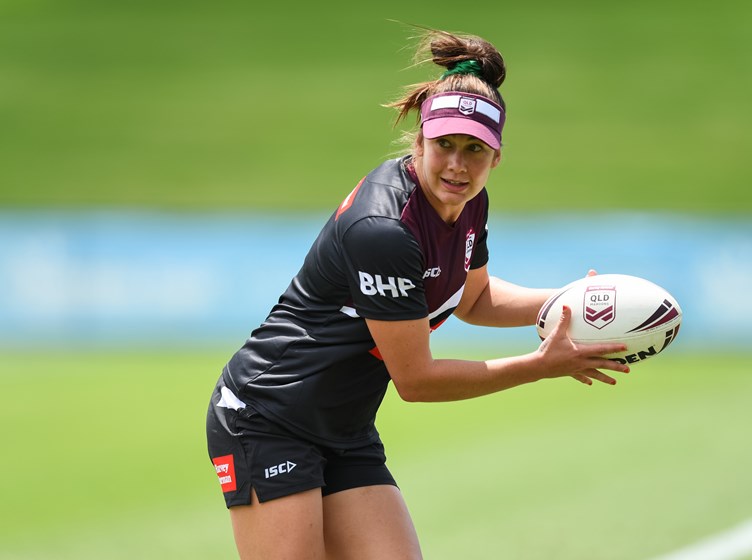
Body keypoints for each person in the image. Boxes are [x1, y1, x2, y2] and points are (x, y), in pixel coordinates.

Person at [206, 28, 630, 560]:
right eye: (445, 145)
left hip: (343, 425)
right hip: (268, 415)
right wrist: (540, 364)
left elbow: (472, 300)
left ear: (496, 157)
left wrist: (569, 302)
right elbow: (417, 380)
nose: (457, 164)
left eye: (475, 150)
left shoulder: (468, 201)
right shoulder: (384, 230)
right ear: (420, 140)